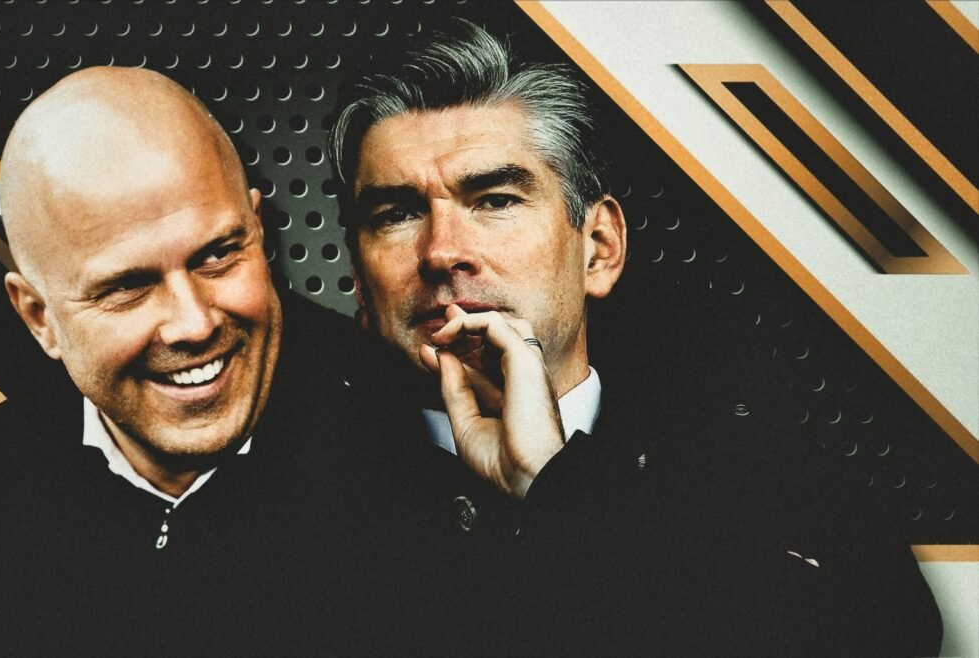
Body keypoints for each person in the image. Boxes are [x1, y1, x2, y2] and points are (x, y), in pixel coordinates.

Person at [328, 18, 943, 656]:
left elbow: (890, 637)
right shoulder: (304, 495)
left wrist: (558, 485)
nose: (441, 251)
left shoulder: (752, 460)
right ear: (360, 279)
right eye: (395, 214)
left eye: (496, 199)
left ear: (598, 248)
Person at [0, 66, 395, 656]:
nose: (195, 323)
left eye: (217, 255)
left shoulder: (403, 443)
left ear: (260, 232)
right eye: (128, 287)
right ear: (40, 319)